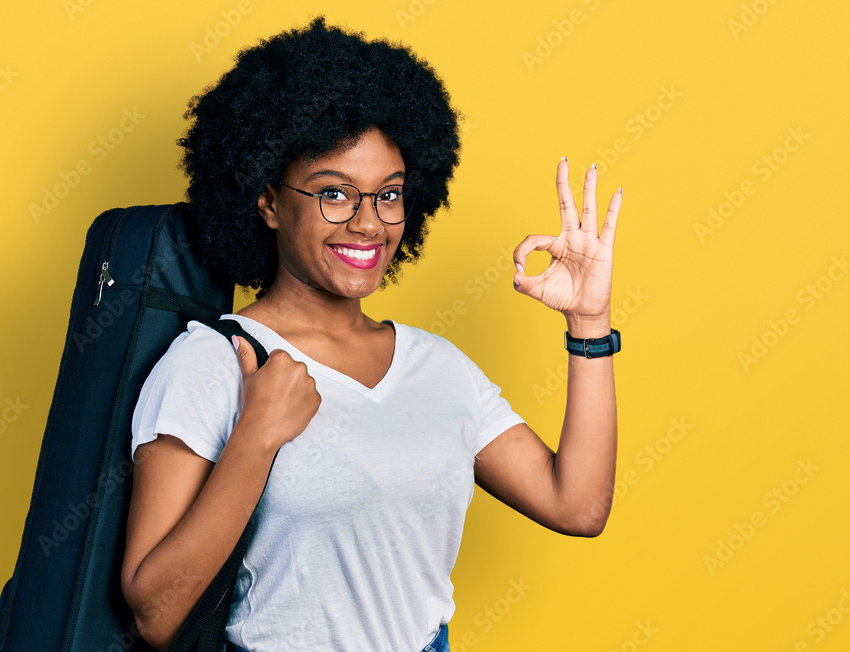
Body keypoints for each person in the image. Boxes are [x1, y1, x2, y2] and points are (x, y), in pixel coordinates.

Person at [120, 17, 621, 652]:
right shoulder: (215, 363)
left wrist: (589, 323)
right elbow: (156, 615)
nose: (367, 224)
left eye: (389, 196)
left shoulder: (438, 367)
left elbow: (576, 507)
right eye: (335, 193)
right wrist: (257, 435)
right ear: (269, 202)